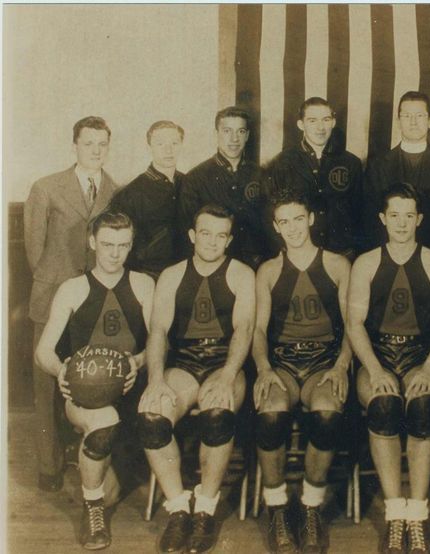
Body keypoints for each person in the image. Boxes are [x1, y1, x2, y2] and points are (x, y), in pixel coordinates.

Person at [137, 204, 256, 554]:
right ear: (192, 235)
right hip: (185, 364)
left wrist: (228, 375)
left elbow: (244, 329)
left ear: (229, 239)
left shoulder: (241, 273)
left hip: (225, 363)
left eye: (221, 235)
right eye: (206, 233)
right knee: (152, 417)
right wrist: (156, 380)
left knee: (217, 413)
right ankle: (177, 509)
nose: (212, 242)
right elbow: (158, 329)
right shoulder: (173, 275)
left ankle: (205, 508)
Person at [348, 183, 430, 554]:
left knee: (423, 406)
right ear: (382, 218)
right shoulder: (365, 263)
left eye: (408, 216)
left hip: (419, 356)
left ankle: (417, 514)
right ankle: (396, 513)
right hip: (377, 354)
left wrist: (429, 369)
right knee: (383, 407)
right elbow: (354, 324)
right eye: (394, 215)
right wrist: (376, 370)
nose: (401, 223)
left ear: (419, 219)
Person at [34, 212, 154, 549]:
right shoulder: (72, 289)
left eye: (123, 245)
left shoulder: (144, 284)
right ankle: (92, 513)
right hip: (86, 396)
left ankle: (95, 474)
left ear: (131, 245)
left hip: (131, 395)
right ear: (92, 243)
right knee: (103, 425)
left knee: (113, 492)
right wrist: (62, 374)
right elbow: (43, 351)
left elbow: (160, 343)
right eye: (107, 245)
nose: (115, 254)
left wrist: (138, 361)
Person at [251, 190, 353, 553]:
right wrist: (263, 369)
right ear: (276, 227)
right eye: (284, 222)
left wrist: (341, 366)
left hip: (323, 363)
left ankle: (311, 506)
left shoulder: (337, 265)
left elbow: (352, 324)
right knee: (270, 415)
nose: (292, 228)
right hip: (282, 363)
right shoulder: (268, 270)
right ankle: (278, 507)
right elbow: (258, 330)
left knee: (327, 415)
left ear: (310, 219)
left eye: (298, 219)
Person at [24, 115, 119, 492]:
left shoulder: (115, 188)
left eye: (102, 144)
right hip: (52, 295)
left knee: (88, 378)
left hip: (94, 301)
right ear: (75, 145)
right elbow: (34, 250)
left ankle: (88, 458)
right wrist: (60, 284)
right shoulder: (46, 188)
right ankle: (48, 466)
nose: (95, 150)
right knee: (47, 383)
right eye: (88, 143)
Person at [364, 91, 430, 268]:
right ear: (398, 121)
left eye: (419, 115)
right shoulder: (378, 165)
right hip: (389, 261)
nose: (413, 122)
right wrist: (394, 255)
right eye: (407, 116)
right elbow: (370, 217)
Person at [267, 97, 364, 259]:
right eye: (312, 121)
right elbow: (272, 212)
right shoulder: (282, 162)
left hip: (342, 251)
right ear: (301, 124)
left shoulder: (351, 162)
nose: (320, 127)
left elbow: (359, 211)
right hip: (298, 252)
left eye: (326, 120)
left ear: (333, 122)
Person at [178, 106, 270, 270]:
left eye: (240, 131)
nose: (234, 138)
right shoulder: (195, 178)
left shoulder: (262, 175)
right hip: (214, 266)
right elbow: (188, 233)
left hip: (257, 263)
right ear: (216, 134)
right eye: (227, 131)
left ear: (247, 135)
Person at [110, 121, 186, 279]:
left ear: (181, 145)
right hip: (148, 276)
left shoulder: (191, 184)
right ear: (149, 147)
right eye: (160, 144)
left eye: (174, 143)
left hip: (186, 274)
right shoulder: (130, 193)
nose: (168, 150)